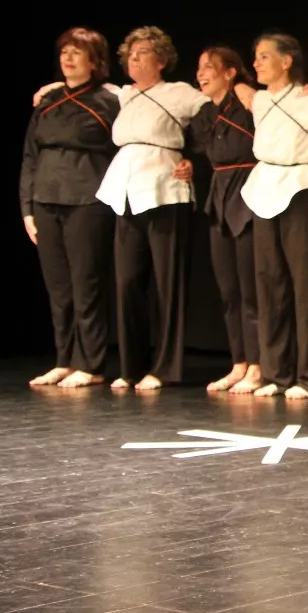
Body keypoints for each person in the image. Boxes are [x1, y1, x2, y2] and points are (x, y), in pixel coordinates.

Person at [95, 26, 211, 391]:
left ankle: (165, 367)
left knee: (168, 283)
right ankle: (131, 366)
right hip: (126, 190)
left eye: (143, 52)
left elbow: (214, 119)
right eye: (130, 53)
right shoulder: (122, 95)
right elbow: (81, 87)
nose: (134, 58)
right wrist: (47, 88)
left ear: (161, 60)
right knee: (127, 281)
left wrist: (196, 161)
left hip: (164, 188)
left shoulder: (178, 93)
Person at [21, 28, 120, 389]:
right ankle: (64, 359)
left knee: (86, 284)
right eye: (65, 51)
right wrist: (27, 207)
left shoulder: (109, 100)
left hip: (87, 201)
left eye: (78, 52)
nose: (69, 57)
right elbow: (30, 156)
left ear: (95, 61)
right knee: (59, 288)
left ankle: (90, 363)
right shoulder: (47, 101)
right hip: (46, 199)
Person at [239, 31, 308, 400]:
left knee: (305, 285)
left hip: (300, 189)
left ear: (287, 61)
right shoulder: (259, 99)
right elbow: (237, 89)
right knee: (270, 282)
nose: (257, 63)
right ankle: (277, 373)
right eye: (256, 56)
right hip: (265, 188)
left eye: (264, 56)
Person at [176, 48, 260, 393]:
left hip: (250, 191)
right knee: (229, 290)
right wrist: (190, 166)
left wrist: (243, 89)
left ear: (230, 72)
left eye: (209, 67)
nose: (201, 73)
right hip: (220, 196)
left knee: (252, 288)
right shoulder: (204, 114)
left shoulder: (249, 104)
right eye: (198, 68)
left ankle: (259, 364)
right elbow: (195, 149)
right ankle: (239, 362)